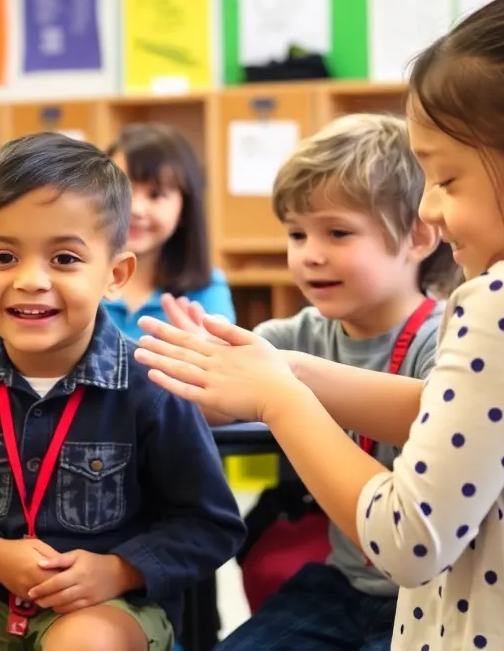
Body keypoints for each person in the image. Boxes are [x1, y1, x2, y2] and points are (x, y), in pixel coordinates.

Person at [136, 0, 504, 650]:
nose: (432, 213)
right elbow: (473, 421)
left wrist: (279, 398)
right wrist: (288, 367)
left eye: (448, 180)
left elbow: (407, 541)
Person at [0, 132, 245, 651]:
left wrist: (119, 571)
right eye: (3, 258)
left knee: (85, 644)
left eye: (64, 259)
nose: (31, 280)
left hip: (108, 603)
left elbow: (210, 525)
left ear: (114, 275)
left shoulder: (153, 381)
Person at [179, 113, 459, 651]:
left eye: (337, 232)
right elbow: (218, 400)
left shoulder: (445, 337)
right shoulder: (298, 332)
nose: (309, 253)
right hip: (343, 584)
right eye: (296, 233)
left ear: (419, 236)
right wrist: (192, 365)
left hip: (435, 598)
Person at [0, 123, 235, 345]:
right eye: (127, 191)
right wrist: (2, 331)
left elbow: (218, 373)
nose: (137, 209)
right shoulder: (63, 277)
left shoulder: (207, 287)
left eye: (156, 195)